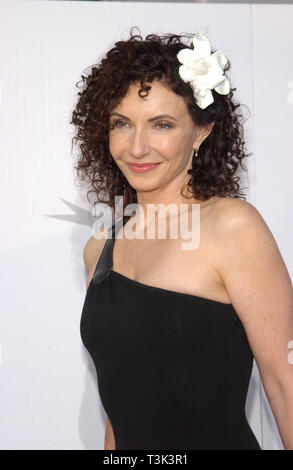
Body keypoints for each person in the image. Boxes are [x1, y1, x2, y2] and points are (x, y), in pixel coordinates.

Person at [71, 28, 293, 450]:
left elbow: (285, 385)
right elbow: (120, 410)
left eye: (162, 124)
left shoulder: (233, 227)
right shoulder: (99, 248)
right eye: (121, 123)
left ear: (202, 131)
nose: (137, 147)